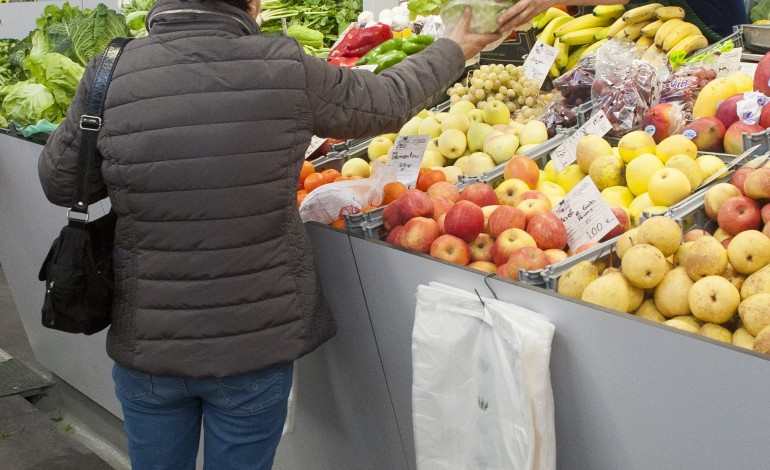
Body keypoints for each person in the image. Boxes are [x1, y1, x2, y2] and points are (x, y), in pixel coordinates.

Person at [37, 1, 504, 468]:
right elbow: (386, 100)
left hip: (148, 344)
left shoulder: (111, 71)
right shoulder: (283, 64)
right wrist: (455, 46)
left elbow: (59, 181)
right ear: (252, 4)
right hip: (254, 346)